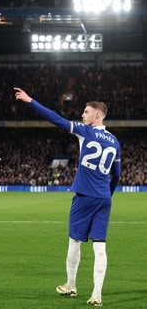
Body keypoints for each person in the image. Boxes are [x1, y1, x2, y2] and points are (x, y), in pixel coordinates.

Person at [13, 87, 121, 307]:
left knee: (75, 241)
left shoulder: (85, 131)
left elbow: (57, 119)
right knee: (100, 246)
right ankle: (97, 295)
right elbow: (116, 176)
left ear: (97, 115)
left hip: (84, 196)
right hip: (103, 199)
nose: (82, 115)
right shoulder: (115, 141)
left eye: (86, 111)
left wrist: (31, 100)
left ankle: (71, 285)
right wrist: (106, 195)